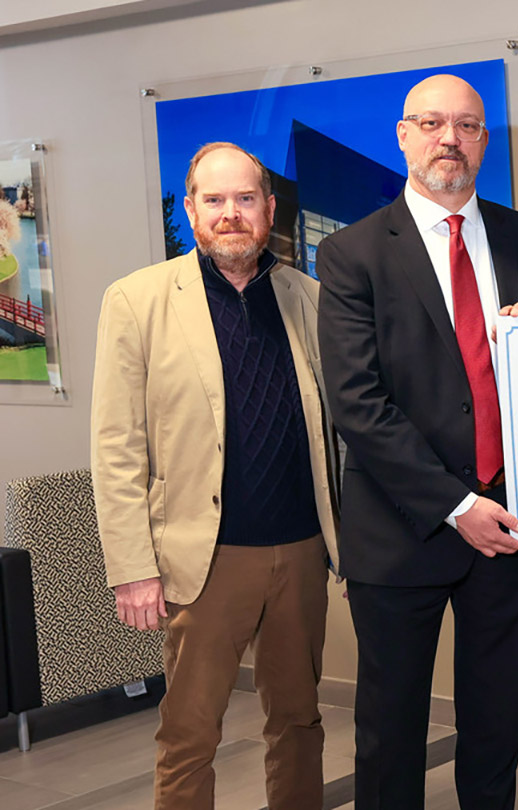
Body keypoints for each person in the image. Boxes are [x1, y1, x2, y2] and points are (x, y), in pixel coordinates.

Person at [315, 74, 518, 810]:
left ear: (483, 142)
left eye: (466, 126)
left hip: (517, 529)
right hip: (404, 531)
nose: (449, 139)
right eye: (432, 123)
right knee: (390, 734)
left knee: (497, 733)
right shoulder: (351, 254)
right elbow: (356, 402)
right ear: (403, 135)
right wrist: (456, 503)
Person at [92, 142, 339, 809]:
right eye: (215, 200)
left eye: (246, 199)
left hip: (300, 553)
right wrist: (132, 567)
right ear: (193, 209)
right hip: (203, 560)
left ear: (269, 209)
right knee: (190, 733)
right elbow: (117, 445)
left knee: (298, 723)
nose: (232, 214)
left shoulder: (305, 297)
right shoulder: (138, 301)